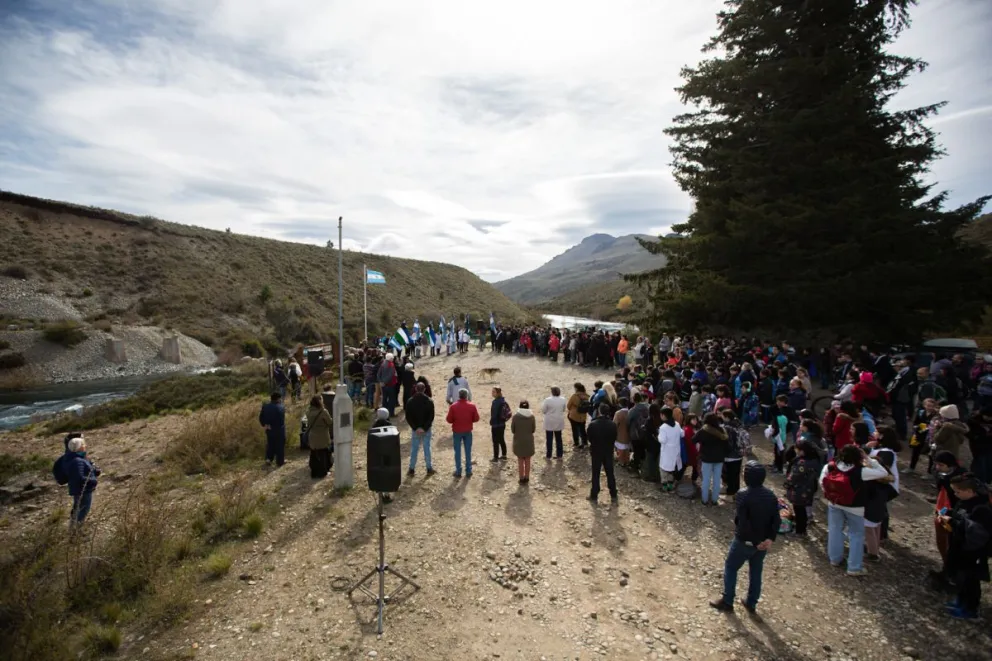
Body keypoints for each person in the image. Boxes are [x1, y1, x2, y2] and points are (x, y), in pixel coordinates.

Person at [710, 462, 780, 613]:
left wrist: (755, 542)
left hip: (745, 541)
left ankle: (728, 601)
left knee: (731, 566)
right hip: (763, 543)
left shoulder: (743, 494)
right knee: (756, 571)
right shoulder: (771, 495)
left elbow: (743, 522)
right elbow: (776, 519)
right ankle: (751, 602)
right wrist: (769, 539)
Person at [819, 445, 892, 576]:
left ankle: (835, 559)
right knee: (856, 535)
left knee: (835, 530)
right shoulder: (861, 471)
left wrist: (831, 496)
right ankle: (854, 567)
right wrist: (869, 459)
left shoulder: (830, 466)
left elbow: (822, 482)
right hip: (855, 507)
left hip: (834, 504)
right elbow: (884, 473)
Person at [941, 473, 992, 620]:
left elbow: (976, 531)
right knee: (960, 578)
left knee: (970, 580)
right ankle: (960, 601)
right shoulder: (965, 501)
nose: (955, 495)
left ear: (970, 491)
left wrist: (952, 521)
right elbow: (961, 516)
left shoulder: (981, 509)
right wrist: (949, 514)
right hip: (960, 547)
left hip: (972, 552)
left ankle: (971, 609)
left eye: (958, 491)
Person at [784, 440, 821, 536]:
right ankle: (802, 529)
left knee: (799, 510)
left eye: (797, 448)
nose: (795, 450)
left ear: (802, 451)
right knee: (803, 510)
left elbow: (794, 477)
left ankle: (799, 531)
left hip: (799, 490)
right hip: (809, 488)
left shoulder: (802, 463)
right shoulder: (814, 460)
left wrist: (787, 484)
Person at [63, 436, 100, 531]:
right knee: (84, 509)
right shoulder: (77, 461)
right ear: (78, 447)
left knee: (77, 508)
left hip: (78, 489)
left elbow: (81, 472)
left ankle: (72, 529)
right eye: (83, 444)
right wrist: (93, 480)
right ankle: (77, 531)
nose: (85, 445)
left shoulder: (75, 458)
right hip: (83, 490)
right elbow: (80, 477)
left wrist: (94, 471)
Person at [587, 403, 619, 504]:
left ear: (599, 411)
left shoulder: (593, 424)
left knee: (595, 473)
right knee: (610, 473)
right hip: (608, 451)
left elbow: (589, 438)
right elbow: (614, 437)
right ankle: (613, 494)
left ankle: (594, 494)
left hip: (596, 451)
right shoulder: (612, 424)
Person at [697, 413, 729, 506]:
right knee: (717, 479)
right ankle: (715, 500)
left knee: (706, 479)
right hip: (719, 459)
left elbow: (693, 440)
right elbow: (726, 444)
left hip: (706, 458)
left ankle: (705, 500)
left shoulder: (703, 430)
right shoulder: (722, 430)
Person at [446, 388, 479, 478]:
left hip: (457, 431)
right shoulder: (472, 406)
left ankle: (458, 471)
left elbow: (449, 420)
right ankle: (468, 471)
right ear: (467, 396)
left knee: (457, 451)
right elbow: (476, 419)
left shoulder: (453, 406)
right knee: (468, 451)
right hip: (468, 431)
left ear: (459, 395)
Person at [405, 382, 436, 476]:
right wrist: (425, 428)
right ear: (424, 389)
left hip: (416, 430)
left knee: (414, 449)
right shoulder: (429, 401)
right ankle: (429, 468)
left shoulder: (410, 401)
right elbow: (431, 417)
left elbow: (408, 417)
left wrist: (415, 428)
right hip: (426, 429)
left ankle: (411, 469)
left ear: (415, 389)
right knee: (427, 448)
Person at [306, 396, 333, 479]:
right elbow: (330, 422)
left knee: (313, 454)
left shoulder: (308, 411)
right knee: (323, 455)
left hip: (312, 436)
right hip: (322, 436)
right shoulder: (323, 412)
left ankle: (313, 473)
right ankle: (323, 472)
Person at [658, 407, 684, 493]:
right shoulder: (676, 424)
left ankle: (665, 487)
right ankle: (670, 486)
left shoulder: (663, 427)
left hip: (666, 451)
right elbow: (682, 434)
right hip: (675, 451)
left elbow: (662, 440)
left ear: (663, 415)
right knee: (672, 469)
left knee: (664, 469)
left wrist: (658, 435)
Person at [511, 400, 537, 484]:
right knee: (528, 460)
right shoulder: (532, 417)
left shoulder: (515, 417)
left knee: (520, 460)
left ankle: (521, 478)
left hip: (519, 440)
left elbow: (513, 430)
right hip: (529, 440)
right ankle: (527, 477)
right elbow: (533, 429)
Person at [259, 392, 287, 467]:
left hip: (269, 428)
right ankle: (280, 461)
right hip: (279, 429)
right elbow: (282, 419)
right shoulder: (281, 407)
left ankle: (268, 459)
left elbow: (261, 418)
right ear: (278, 399)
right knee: (280, 445)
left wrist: (265, 425)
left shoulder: (265, 406)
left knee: (270, 444)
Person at [541, 386, 568, 459]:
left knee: (549, 439)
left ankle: (548, 455)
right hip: (559, 420)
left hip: (549, 420)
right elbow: (563, 409)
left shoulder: (547, 400)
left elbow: (543, 410)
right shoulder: (563, 399)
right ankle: (559, 454)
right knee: (559, 438)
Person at [567, 383, 591, 448]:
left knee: (574, 430)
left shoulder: (574, 396)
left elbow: (568, 406)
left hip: (574, 415)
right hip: (583, 416)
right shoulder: (587, 396)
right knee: (582, 429)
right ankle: (585, 442)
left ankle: (576, 443)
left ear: (576, 388)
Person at [490, 387, 511, 462]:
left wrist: (491, 421)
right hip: (502, 424)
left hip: (496, 425)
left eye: (494, 392)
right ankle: (504, 455)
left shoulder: (495, 402)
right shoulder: (503, 401)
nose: (492, 393)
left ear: (498, 393)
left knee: (495, 441)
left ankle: (495, 457)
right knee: (502, 439)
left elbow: (494, 414)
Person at [377, 353, 399, 417]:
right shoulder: (391, 364)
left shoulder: (382, 364)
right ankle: (391, 413)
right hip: (390, 384)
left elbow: (378, 374)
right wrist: (384, 382)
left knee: (384, 399)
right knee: (392, 399)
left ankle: (384, 413)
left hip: (383, 385)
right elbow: (390, 375)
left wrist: (381, 381)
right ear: (391, 358)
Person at [613, 398, 632, 467]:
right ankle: (627, 461)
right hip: (629, 435)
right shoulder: (630, 412)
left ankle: (621, 462)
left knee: (620, 449)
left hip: (620, 434)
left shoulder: (618, 413)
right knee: (627, 449)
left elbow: (614, 424)